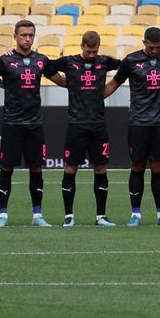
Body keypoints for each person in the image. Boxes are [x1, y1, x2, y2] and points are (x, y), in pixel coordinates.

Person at [49, 30, 121, 226]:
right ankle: (69, 216)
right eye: (88, 51)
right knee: (71, 168)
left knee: (101, 167)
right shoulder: (69, 62)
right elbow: (44, 66)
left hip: (98, 123)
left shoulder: (104, 61)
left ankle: (100, 216)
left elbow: (129, 65)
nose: (91, 55)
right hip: (76, 124)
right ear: (81, 46)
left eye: (94, 51)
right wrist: (64, 83)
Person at [0, 19, 52, 227]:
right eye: (23, 35)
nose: (27, 38)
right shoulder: (5, 61)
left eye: (31, 35)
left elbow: (60, 78)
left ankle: (37, 215)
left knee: (36, 169)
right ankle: (3, 214)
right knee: (7, 168)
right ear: (15, 36)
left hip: (34, 123)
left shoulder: (41, 60)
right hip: (12, 122)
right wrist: (6, 85)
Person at [117, 26, 160, 226]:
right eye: (151, 47)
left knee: (159, 168)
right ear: (144, 42)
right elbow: (115, 82)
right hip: (138, 122)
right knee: (137, 166)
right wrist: (96, 98)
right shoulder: (131, 60)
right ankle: (135, 214)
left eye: (158, 47)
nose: (155, 51)